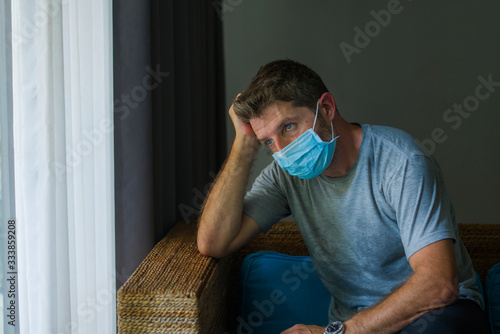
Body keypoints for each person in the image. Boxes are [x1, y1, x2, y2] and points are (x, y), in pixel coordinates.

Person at [197, 59, 490, 334]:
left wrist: (337, 332)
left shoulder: (401, 162)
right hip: (353, 325)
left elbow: (439, 285)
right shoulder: (286, 176)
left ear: (326, 108)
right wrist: (244, 144)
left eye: (288, 127)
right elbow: (214, 243)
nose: (282, 149)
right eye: (268, 142)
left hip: (436, 315)